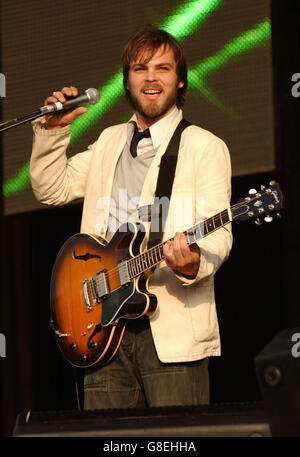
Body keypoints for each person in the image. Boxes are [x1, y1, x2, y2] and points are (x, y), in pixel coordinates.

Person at [30, 27, 232, 410]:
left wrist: (194, 263)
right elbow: (51, 189)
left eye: (163, 68)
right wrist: (54, 132)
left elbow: (218, 233)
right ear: (126, 81)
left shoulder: (204, 147)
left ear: (180, 78)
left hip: (171, 331)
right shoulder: (109, 141)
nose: (151, 78)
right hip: (103, 329)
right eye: (140, 69)